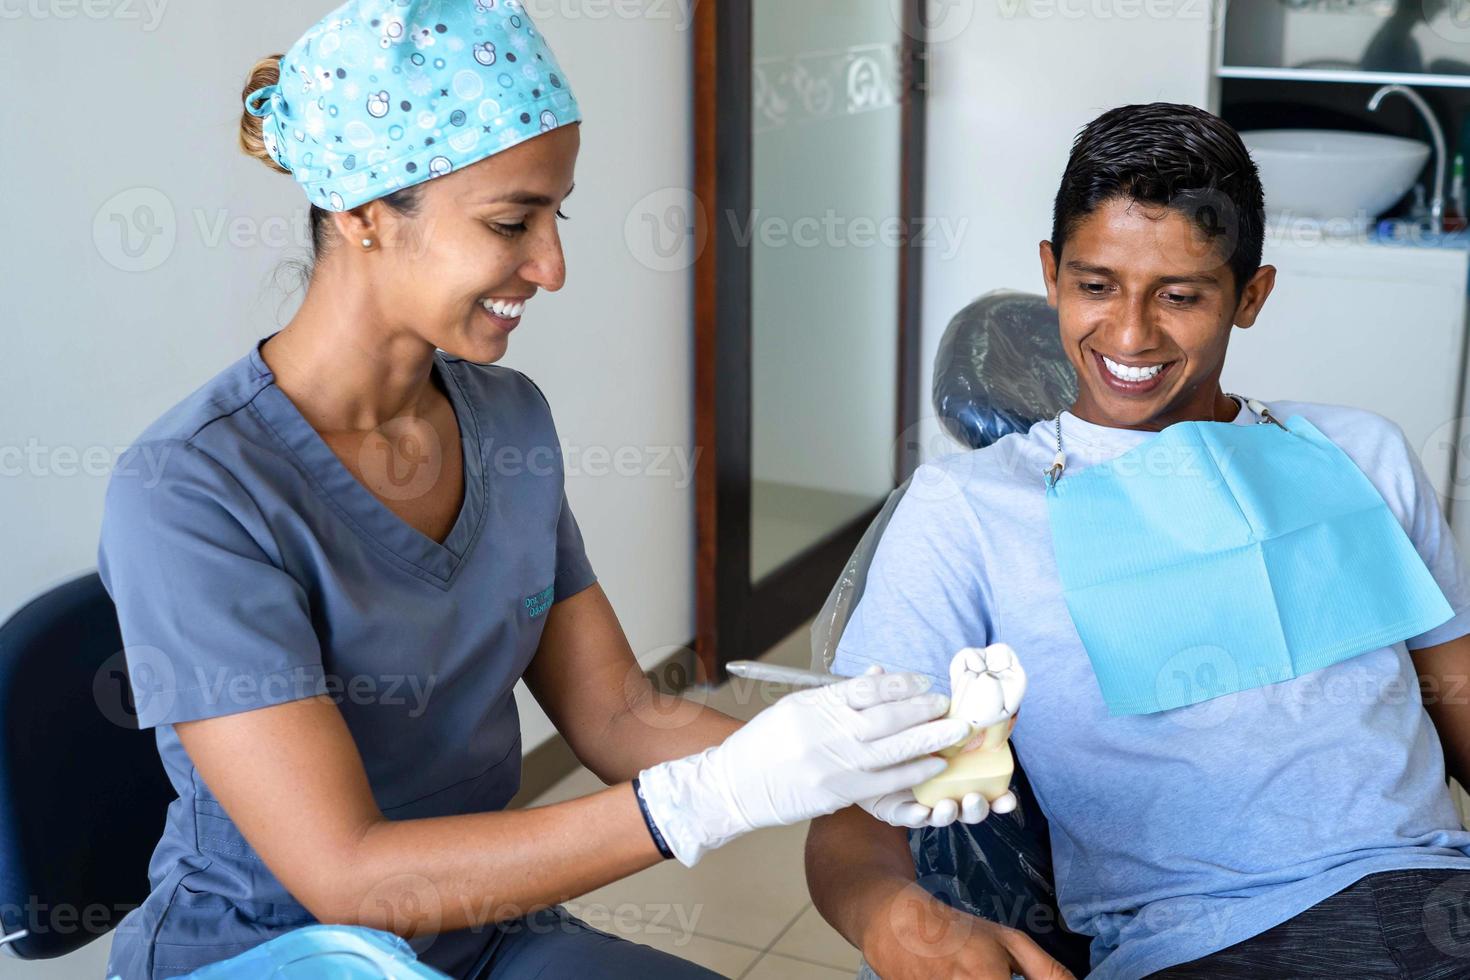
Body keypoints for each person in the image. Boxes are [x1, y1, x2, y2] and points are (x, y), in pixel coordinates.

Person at [96, 2, 991, 978]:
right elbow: (351, 877)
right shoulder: (194, 491)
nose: (552, 267)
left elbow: (615, 712)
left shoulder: (506, 420)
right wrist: (715, 795)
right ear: (360, 212)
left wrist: (854, 763)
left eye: (556, 215)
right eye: (510, 222)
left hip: (476, 929)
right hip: (285, 953)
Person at [804, 101, 1470, 980]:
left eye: (1181, 296)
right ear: (1051, 275)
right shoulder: (967, 510)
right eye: (1095, 285)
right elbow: (854, 812)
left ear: (1252, 295)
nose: (1129, 335)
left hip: (1439, 901)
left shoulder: (1363, 454)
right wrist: (891, 916)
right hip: (1209, 943)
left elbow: (1453, 692)